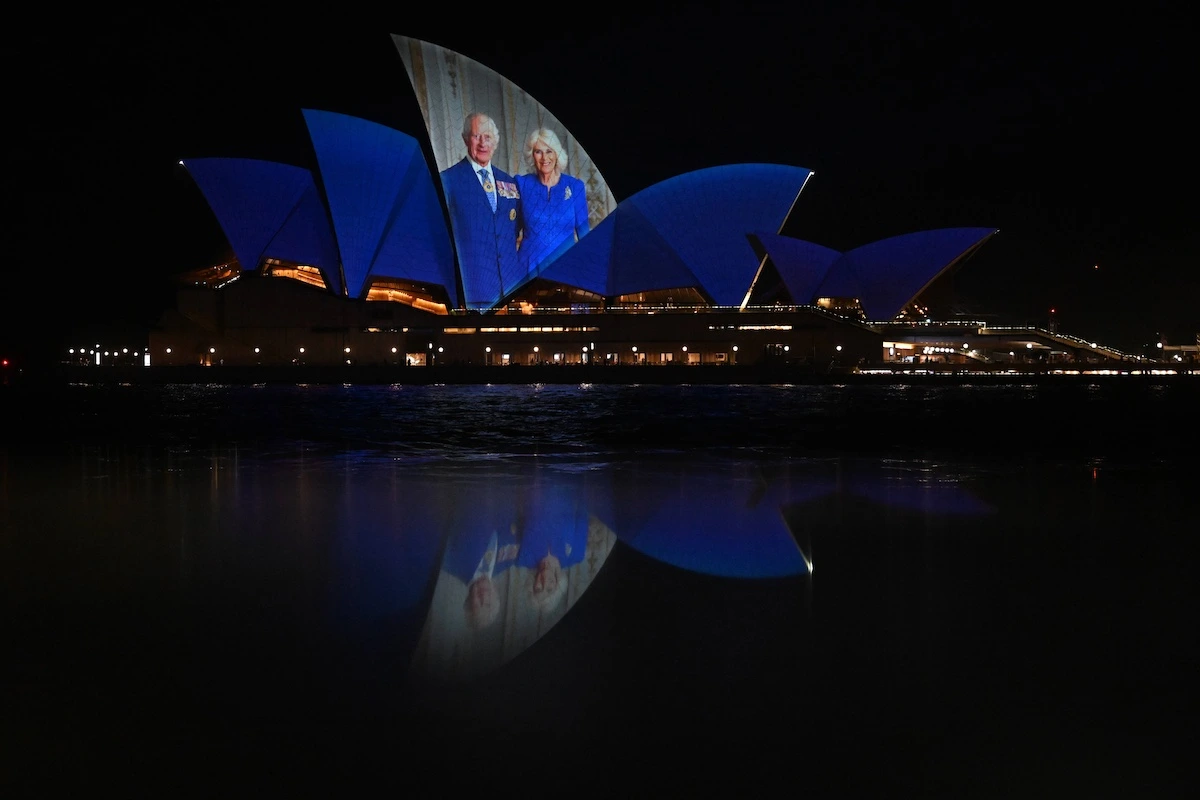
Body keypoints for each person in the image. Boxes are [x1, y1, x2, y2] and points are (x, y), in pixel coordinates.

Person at [440, 112, 522, 308]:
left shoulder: (509, 182)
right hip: (472, 293)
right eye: (477, 136)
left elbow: (515, 230)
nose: (483, 143)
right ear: (466, 139)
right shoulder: (448, 180)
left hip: (511, 291)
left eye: (488, 137)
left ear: (495, 141)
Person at [514, 127, 590, 278]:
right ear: (532, 155)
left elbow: (584, 234)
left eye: (549, 151)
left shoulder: (575, 186)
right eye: (538, 152)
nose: (544, 158)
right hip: (528, 270)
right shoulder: (521, 184)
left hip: (567, 268)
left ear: (557, 153)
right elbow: (511, 232)